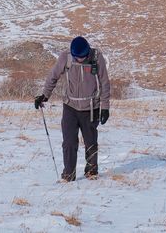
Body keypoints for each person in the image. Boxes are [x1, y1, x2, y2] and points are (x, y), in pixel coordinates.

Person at [34, 36, 111, 182]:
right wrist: (44, 95)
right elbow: (53, 76)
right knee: (69, 142)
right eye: (77, 57)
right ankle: (68, 175)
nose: (80, 59)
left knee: (91, 142)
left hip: (91, 108)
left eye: (82, 57)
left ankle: (91, 172)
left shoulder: (96, 57)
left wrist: (105, 107)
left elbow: (105, 83)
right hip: (70, 107)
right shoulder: (66, 57)